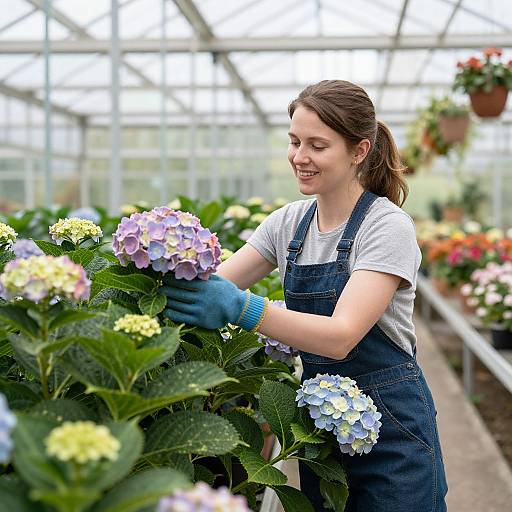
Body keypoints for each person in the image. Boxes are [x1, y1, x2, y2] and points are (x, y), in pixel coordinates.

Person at [162, 79, 448, 511]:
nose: (300, 157)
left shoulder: (386, 227)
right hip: (319, 432)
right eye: (294, 141)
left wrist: (243, 309)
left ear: (359, 151)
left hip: (392, 428)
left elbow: (340, 337)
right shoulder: (288, 223)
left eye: (317, 145)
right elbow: (218, 283)